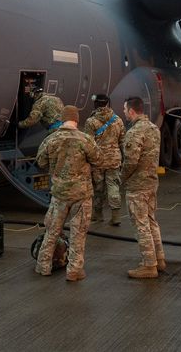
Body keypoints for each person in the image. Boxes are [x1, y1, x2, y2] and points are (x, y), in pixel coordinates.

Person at [34, 104, 99, 282]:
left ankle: (43, 265)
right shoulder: (86, 139)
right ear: (77, 120)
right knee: (78, 233)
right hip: (81, 195)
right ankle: (74, 271)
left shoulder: (51, 139)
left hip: (59, 194)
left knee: (52, 231)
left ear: (62, 119)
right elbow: (97, 159)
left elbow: (40, 162)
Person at [121, 96, 164, 279]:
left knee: (141, 225)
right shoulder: (154, 128)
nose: (123, 113)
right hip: (151, 182)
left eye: (124, 110)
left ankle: (149, 265)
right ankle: (159, 259)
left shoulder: (134, 132)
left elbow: (131, 161)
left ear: (131, 111)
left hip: (138, 185)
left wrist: (121, 178)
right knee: (151, 220)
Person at [84, 93, 126, 225]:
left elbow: (88, 143)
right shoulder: (117, 119)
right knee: (113, 186)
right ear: (108, 104)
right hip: (114, 159)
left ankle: (98, 215)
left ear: (95, 104)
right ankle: (116, 216)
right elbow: (123, 140)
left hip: (98, 160)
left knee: (98, 188)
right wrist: (123, 157)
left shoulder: (90, 122)